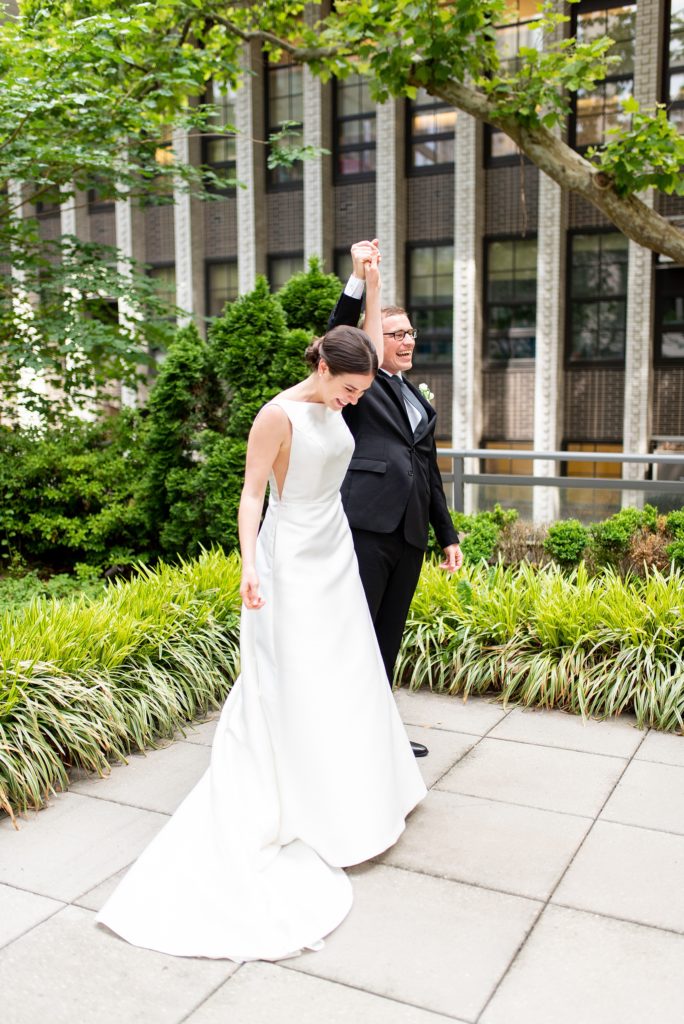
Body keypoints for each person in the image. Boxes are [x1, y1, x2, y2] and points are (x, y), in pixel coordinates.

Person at [96, 253, 426, 962]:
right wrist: (250, 564)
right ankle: (304, 800)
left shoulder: (352, 379)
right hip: (289, 555)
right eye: (346, 391)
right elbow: (251, 496)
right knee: (298, 675)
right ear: (321, 372)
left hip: (336, 547)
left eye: (360, 391)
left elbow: (366, 331)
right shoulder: (277, 415)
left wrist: (368, 277)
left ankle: (364, 795)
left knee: (350, 669)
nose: (352, 402)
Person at [328, 240, 463, 757]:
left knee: (387, 637)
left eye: (411, 332)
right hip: (364, 524)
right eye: (398, 333)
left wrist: (445, 534)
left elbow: (427, 468)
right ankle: (342, 738)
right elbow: (337, 331)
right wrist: (359, 279)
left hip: (409, 533)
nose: (409, 340)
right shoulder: (359, 385)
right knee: (355, 634)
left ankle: (379, 735)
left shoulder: (416, 396)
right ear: (373, 339)